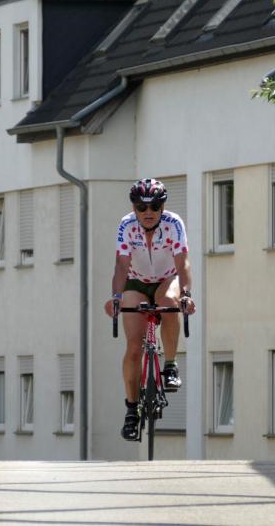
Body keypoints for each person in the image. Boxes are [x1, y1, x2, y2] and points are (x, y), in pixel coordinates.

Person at [104, 178, 196, 441]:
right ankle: (131, 411)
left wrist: (186, 295)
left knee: (168, 302)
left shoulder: (173, 224)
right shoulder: (126, 225)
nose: (148, 212)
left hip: (167, 279)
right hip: (136, 281)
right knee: (134, 347)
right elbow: (121, 266)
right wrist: (116, 297)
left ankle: (170, 365)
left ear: (162, 207)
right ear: (134, 208)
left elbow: (183, 263)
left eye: (155, 206)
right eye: (141, 207)